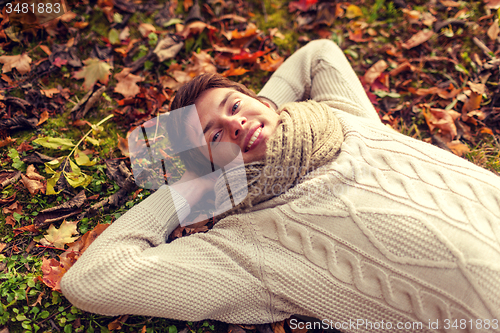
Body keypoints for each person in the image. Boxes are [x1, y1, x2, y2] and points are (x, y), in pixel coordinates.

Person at [61, 40, 500, 333]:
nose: (235, 123)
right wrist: (189, 188)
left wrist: (266, 110)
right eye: (214, 136)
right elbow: (93, 281)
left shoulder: (341, 117)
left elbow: (319, 54)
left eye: (235, 105)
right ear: (213, 171)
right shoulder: (247, 247)